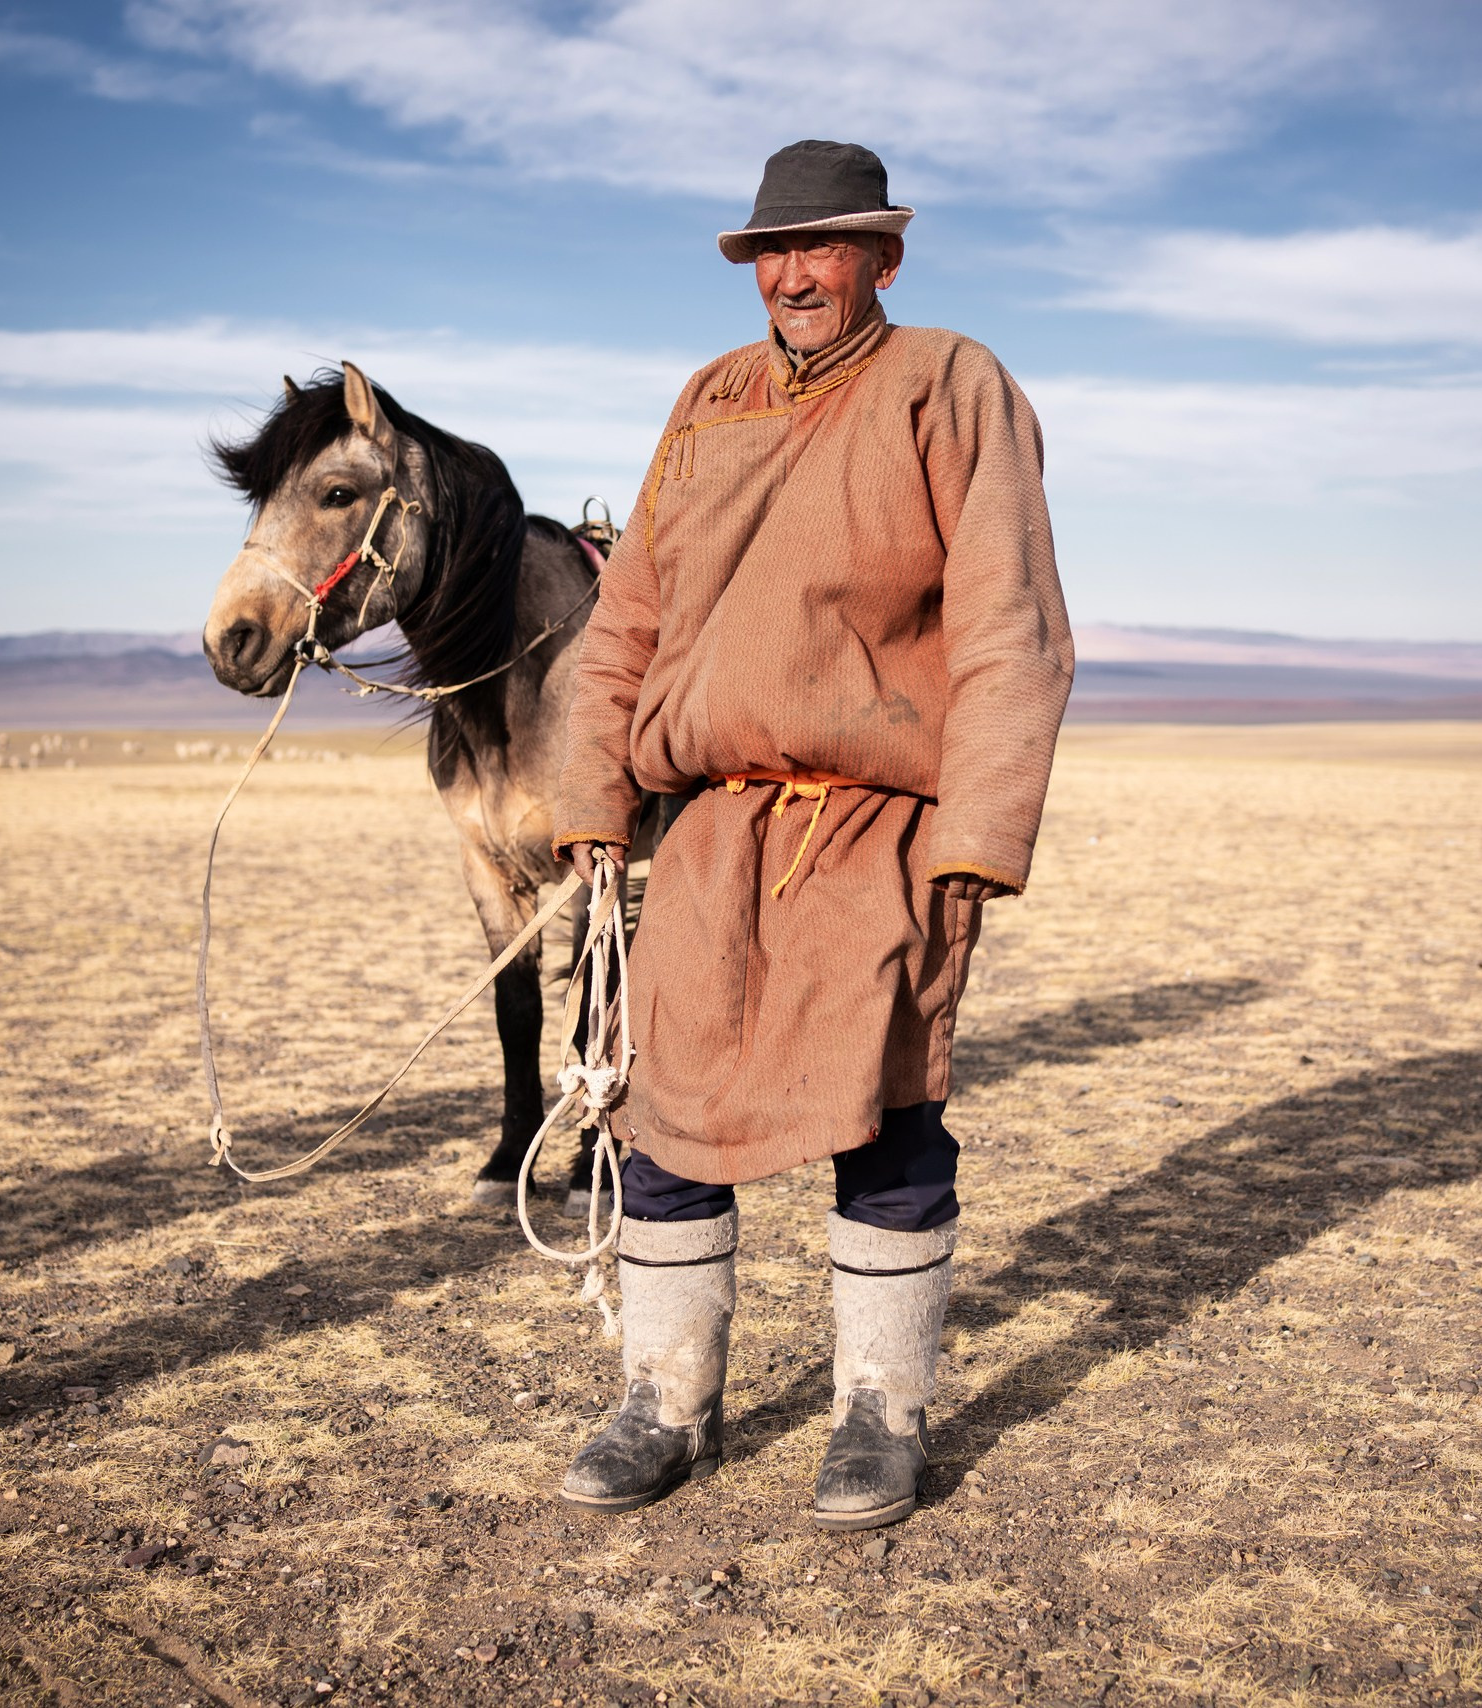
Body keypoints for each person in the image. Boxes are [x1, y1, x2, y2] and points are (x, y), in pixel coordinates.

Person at [549, 139, 1073, 1531]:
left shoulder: (949, 383)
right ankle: (666, 1402)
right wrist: (593, 794)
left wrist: (979, 836)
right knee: (666, 1116)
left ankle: (880, 1417)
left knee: (886, 1114)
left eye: (822, 248)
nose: (790, 275)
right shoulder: (708, 400)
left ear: (882, 259)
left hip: (881, 827)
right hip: (713, 826)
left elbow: (1010, 619)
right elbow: (629, 621)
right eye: (771, 252)